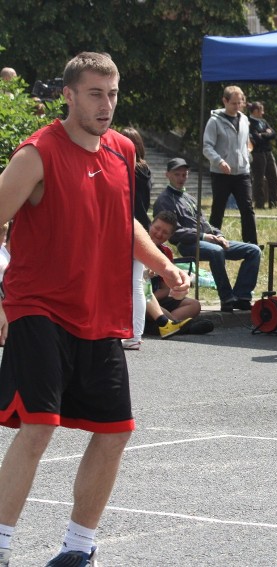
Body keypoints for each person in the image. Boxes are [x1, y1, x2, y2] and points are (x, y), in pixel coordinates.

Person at [0, 51, 189, 567]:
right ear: (68, 95)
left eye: (112, 94)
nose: (106, 105)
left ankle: (77, 549)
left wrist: (162, 266)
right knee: (38, 426)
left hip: (98, 313)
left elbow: (123, 221)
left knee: (114, 433)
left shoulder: (122, 151)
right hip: (37, 306)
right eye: (94, 94)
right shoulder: (37, 154)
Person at [153, 158, 261, 313]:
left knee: (253, 250)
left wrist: (219, 234)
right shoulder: (164, 200)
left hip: (208, 240)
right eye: (177, 175)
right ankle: (227, 297)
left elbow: (205, 222)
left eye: (184, 175)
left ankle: (241, 296)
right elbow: (174, 233)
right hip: (188, 244)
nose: (181, 178)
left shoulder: (189, 197)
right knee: (216, 251)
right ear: (167, 175)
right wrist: (203, 236)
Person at [203, 85, 257, 244]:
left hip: (242, 172)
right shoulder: (214, 121)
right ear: (224, 101)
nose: (237, 106)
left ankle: (252, 244)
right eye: (234, 103)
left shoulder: (245, 119)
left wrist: (247, 157)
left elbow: (246, 143)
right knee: (218, 209)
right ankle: (212, 241)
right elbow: (206, 147)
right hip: (221, 174)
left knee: (247, 209)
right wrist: (219, 161)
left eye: (240, 103)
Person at [145, 210, 211, 336]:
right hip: (138, 298)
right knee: (144, 301)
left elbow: (165, 289)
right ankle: (179, 326)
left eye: (165, 232)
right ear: (150, 225)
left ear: (170, 236)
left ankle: (160, 326)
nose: (159, 234)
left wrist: (154, 301)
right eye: (157, 228)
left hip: (154, 298)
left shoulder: (166, 252)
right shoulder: (138, 246)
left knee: (194, 305)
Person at [119, 127, 154, 350]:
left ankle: (133, 334)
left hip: (128, 227)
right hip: (142, 228)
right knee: (136, 283)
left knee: (133, 284)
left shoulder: (127, 169)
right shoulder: (145, 170)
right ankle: (134, 333)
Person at [248, 101, 277, 209]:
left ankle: (273, 203)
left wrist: (263, 134)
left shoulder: (263, 121)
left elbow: (274, 134)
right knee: (259, 180)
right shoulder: (249, 122)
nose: (263, 112)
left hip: (268, 152)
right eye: (261, 110)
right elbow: (257, 139)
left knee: (274, 178)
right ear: (256, 111)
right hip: (257, 154)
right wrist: (266, 134)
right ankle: (260, 204)